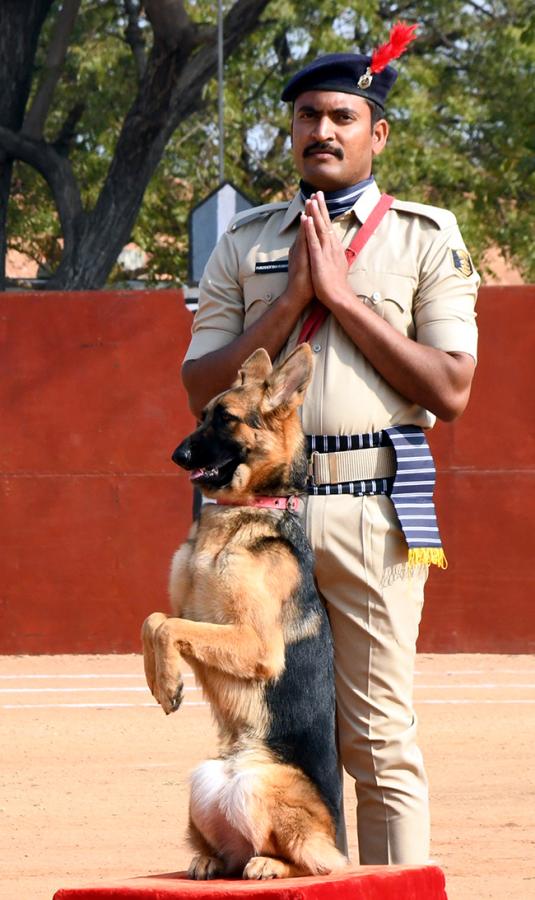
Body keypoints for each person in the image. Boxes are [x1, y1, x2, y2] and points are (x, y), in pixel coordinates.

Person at [180, 32, 479, 867]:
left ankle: (393, 891)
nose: (323, 128)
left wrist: (343, 300)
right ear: (292, 131)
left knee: (378, 735)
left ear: (375, 132)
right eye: (308, 115)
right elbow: (198, 383)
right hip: (262, 519)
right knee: (279, 727)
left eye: (343, 115)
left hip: (370, 502)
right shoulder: (245, 242)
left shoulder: (423, 236)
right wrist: (291, 301)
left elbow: (449, 390)